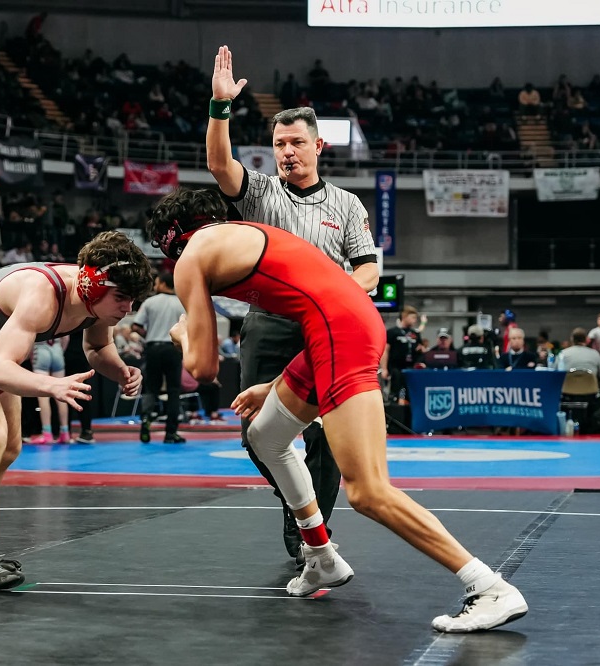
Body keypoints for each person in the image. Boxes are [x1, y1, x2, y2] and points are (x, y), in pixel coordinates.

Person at [148, 187, 527, 633]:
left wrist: (182, 337)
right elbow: (321, 296)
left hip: (337, 333)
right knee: (265, 435)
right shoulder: (245, 233)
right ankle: (320, 556)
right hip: (337, 325)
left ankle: (488, 587)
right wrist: (273, 386)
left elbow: (204, 368)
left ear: (172, 241)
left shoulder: (193, 255)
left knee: (367, 491)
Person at [206, 45, 380, 564]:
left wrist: (346, 289)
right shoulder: (260, 192)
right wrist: (220, 107)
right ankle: (296, 507)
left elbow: (369, 268)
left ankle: (314, 530)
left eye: (297, 143)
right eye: (280, 143)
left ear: (318, 145)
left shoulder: (347, 204)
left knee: (327, 438)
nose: (288, 152)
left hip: (324, 324)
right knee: (254, 434)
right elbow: (219, 163)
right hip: (268, 321)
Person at [0, 231, 152, 591]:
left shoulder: (98, 307)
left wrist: (120, 369)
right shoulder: (42, 293)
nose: (128, 309)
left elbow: (96, 349)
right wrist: (51, 385)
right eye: (122, 298)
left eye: (133, 300)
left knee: (10, 447)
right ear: (92, 287)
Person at [132, 272, 187, 444]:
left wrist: (150, 334)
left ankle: (146, 422)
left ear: (163, 283)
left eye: (156, 283)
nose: (155, 286)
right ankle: (171, 433)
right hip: (173, 349)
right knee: (173, 390)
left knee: (151, 389)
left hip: (153, 348)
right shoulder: (181, 304)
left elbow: (136, 325)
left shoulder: (150, 302)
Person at [29, 338, 72, 444]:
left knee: (43, 397)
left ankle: (47, 433)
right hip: (57, 349)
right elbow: (66, 337)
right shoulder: (59, 320)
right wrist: (61, 350)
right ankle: (65, 432)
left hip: (40, 349)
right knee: (62, 393)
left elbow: (30, 336)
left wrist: (30, 354)